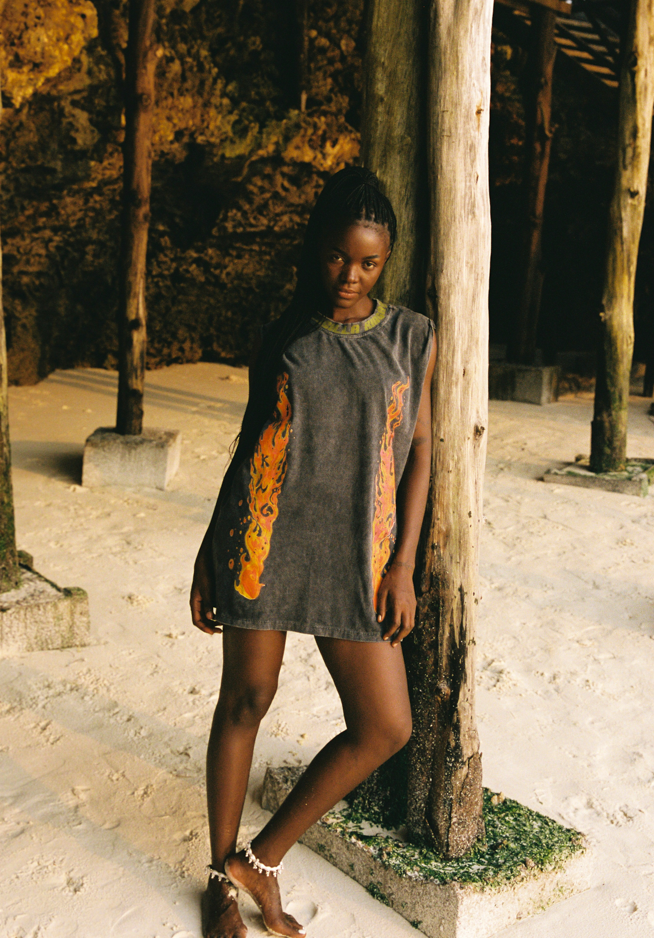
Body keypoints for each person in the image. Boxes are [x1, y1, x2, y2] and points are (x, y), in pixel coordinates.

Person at [190, 166, 436, 939]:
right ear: (316, 249)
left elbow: (423, 447)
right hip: (266, 539)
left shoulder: (412, 335)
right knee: (245, 700)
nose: (350, 276)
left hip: (361, 559)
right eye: (338, 257)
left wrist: (404, 565)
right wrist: (209, 551)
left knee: (386, 725)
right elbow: (251, 444)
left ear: (384, 260)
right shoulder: (288, 335)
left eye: (367, 262)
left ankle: (256, 861)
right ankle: (218, 878)